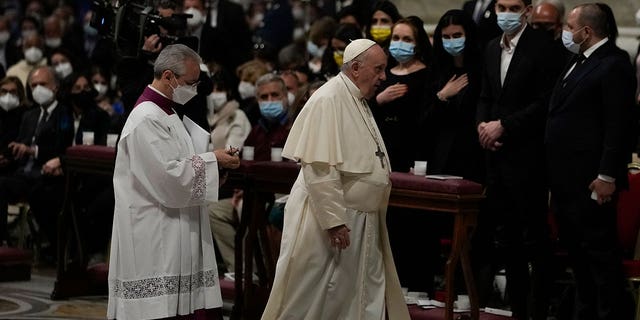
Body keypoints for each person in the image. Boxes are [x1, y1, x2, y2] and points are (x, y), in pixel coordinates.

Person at [262, 38, 410, 320]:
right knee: (316, 299)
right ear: (356, 68)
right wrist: (334, 220)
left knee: (353, 299)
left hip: (360, 220)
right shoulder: (329, 98)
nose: (383, 76)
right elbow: (319, 166)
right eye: (378, 69)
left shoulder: (356, 98)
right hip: (331, 222)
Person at [107, 44, 240, 320]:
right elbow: (169, 177)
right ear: (169, 76)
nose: (194, 88)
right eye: (191, 82)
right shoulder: (146, 118)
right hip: (155, 229)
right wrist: (213, 160)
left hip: (173, 224)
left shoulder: (166, 111)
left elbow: (181, 162)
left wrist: (214, 161)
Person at [546, 3, 636, 319]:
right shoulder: (577, 61)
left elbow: (618, 124)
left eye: (570, 27)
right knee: (578, 256)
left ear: (586, 31)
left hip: (592, 180)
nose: (566, 33)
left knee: (600, 257)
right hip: (566, 180)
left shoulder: (614, 63)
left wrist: (607, 175)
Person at [476, 0, 563, 318]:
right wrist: (482, 126)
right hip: (496, 157)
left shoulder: (543, 47)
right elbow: (486, 94)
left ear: (527, 10)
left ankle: (538, 309)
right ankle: (516, 310)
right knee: (507, 238)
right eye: (501, 6)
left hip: (528, 157)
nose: (506, 13)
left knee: (535, 238)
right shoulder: (489, 47)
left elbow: (545, 101)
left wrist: (505, 126)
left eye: (514, 6)